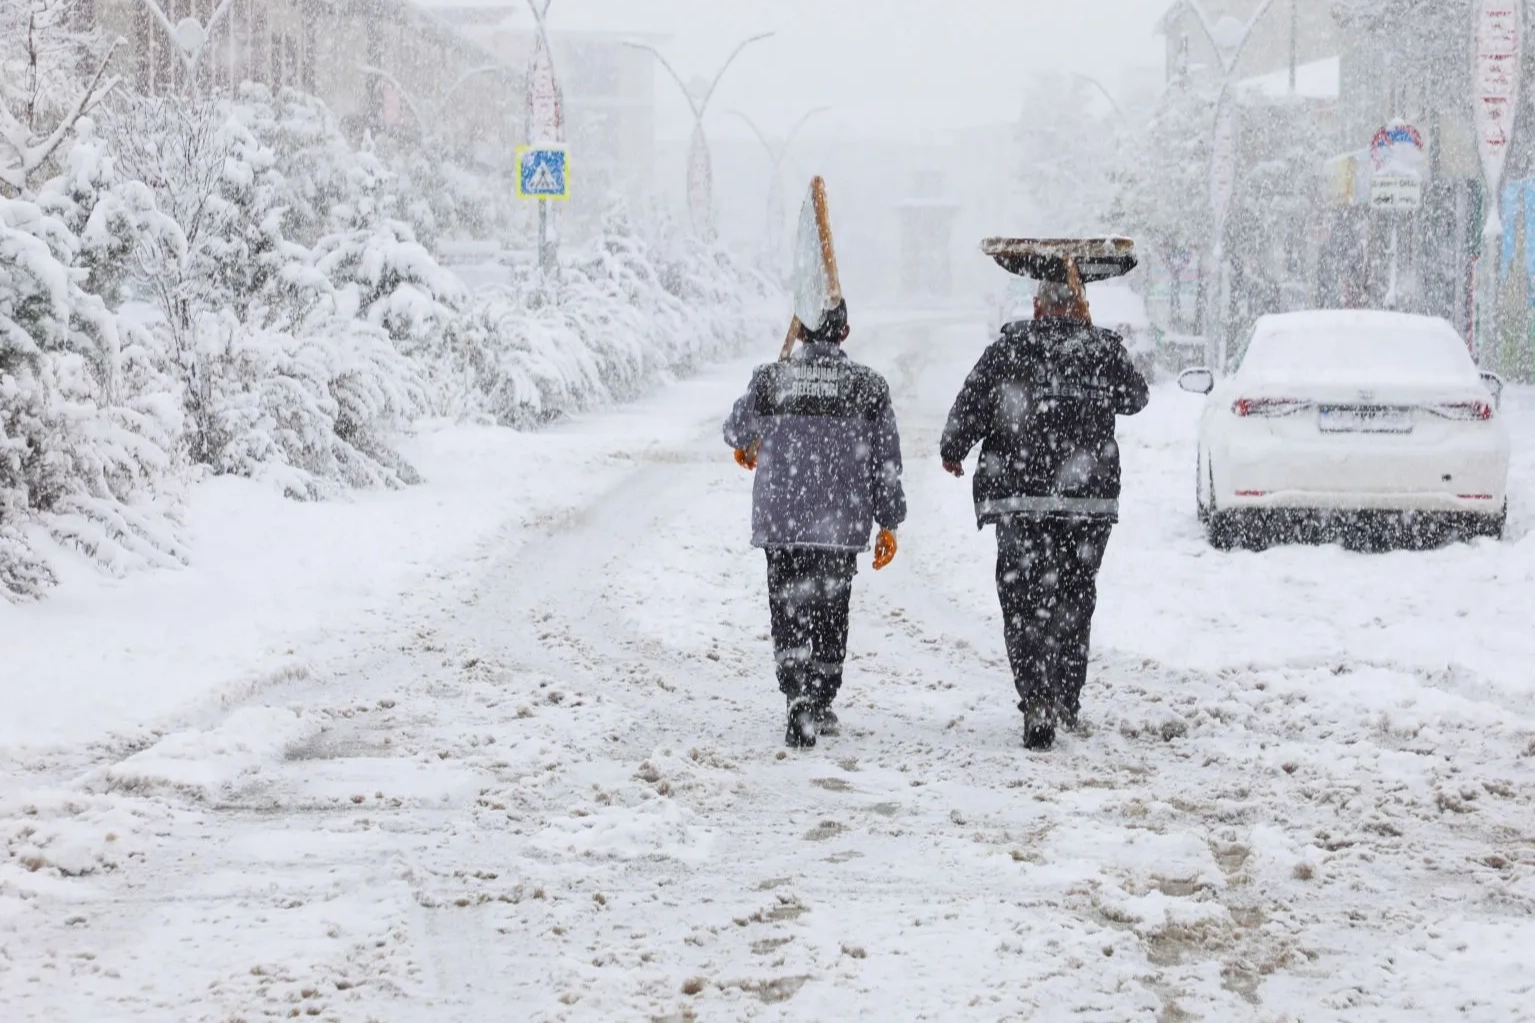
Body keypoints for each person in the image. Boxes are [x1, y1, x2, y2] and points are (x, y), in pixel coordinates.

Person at [939, 277, 1149, 751]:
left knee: (1022, 601)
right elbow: (1136, 398)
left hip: (1020, 499)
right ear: (1081, 305)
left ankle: (1036, 695)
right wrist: (1097, 343)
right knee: (1075, 598)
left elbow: (971, 403)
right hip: (1086, 502)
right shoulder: (1101, 349)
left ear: (1037, 306)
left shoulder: (1007, 351)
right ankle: (1066, 696)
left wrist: (953, 448)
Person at [724, 299, 906, 749]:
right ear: (845, 333)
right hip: (840, 525)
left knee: (788, 607)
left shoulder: (772, 378)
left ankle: (796, 694)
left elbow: (735, 430)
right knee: (831, 609)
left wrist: (763, 410)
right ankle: (821, 697)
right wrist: (889, 521)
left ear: (799, 331)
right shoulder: (868, 386)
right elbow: (885, 462)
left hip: (783, 519)